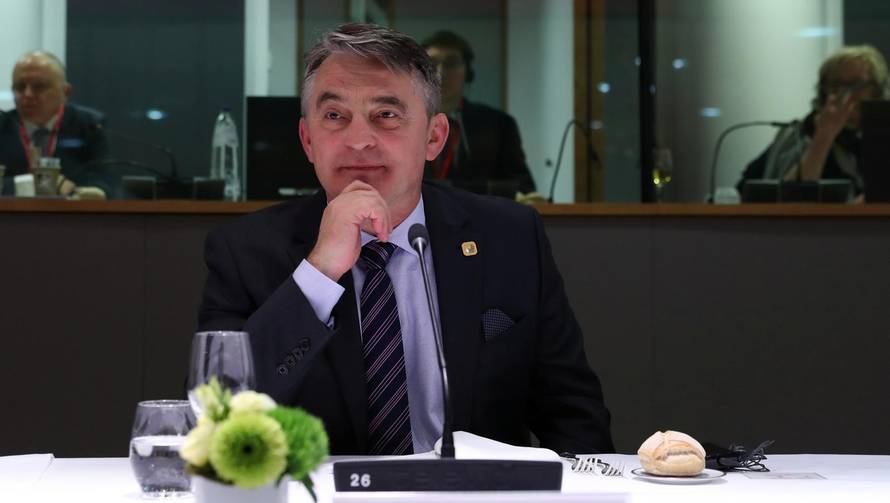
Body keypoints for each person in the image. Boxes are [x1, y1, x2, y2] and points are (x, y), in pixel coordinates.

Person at [198, 23, 613, 456]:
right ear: (307, 139)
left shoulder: (509, 238)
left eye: (387, 115)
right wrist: (319, 272)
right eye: (335, 116)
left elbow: (573, 416)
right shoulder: (245, 249)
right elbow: (216, 418)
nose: (358, 141)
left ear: (434, 137)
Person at [739, 45, 890, 198]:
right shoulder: (801, 133)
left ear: (876, 91)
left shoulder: (881, 135)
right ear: (824, 91)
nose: (845, 93)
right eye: (836, 85)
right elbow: (789, 198)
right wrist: (823, 137)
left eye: (856, 84)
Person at [421, 30, 537, 198]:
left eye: (451, 64)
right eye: (432, 63)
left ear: (468, 74)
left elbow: (524, 188)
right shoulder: (402, 122)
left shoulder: (499, 125)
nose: (440, 73)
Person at [0, 50, 116, 197]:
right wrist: (36, 184)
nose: (27, 94)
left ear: (65, 92)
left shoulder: (90, 125)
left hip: (70, 217)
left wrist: (93, 192)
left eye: (39, 86)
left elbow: (105, 181)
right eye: (20, 87)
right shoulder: (2, 125)